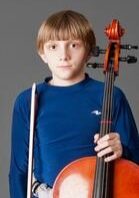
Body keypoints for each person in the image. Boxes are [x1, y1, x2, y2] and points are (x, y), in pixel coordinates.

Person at [9, 10, 139, 198]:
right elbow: (19, 171)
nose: (64, 55)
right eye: (53, 46)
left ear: (89, 51)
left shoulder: (111, 96)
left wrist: (122, 150)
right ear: (42, 53)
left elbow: (136, 163)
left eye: (74, 45)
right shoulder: (29, 100)